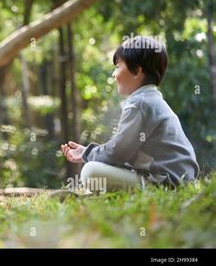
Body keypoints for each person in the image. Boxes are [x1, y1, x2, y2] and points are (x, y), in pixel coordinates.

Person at [61, 35, 199, 193]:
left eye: (118, 67)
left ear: (137, 71)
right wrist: (88, 152)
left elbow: (117, 152)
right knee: (99, 169)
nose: (114, 74)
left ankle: (91, 196)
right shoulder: (150, 99)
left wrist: (87, 153)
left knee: (90, 171)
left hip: (167, 184)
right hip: (174, 180)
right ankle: (91, 196)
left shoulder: (139, 104)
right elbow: (123, 153)